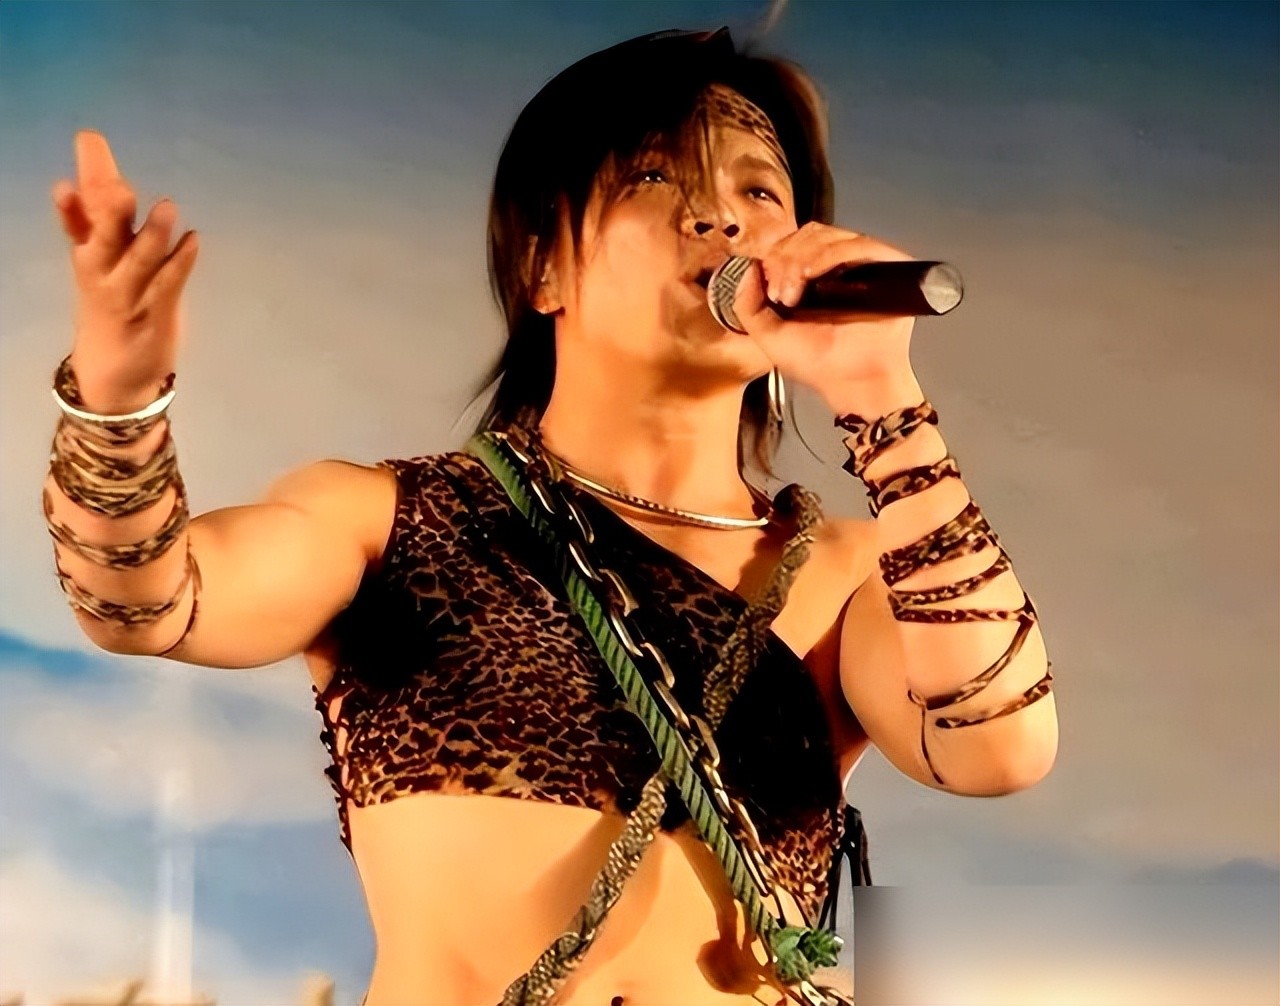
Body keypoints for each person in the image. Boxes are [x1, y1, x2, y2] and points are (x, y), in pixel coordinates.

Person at [43, 27, 1057, 1006]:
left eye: (757, 190)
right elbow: (144, 600)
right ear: (542, 269)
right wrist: (116, 404)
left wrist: (879, 394)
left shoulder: (848, 570)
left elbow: (998, 751)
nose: (719, 218)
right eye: (654, 178)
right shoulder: (390, 520)